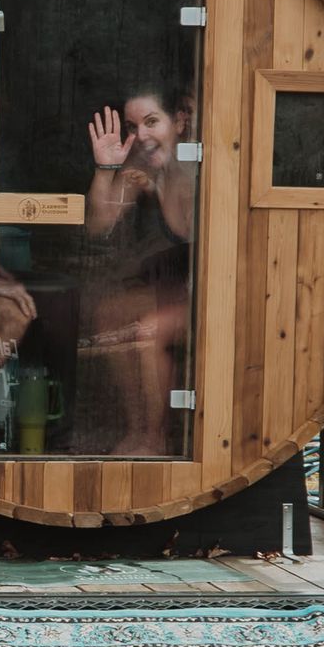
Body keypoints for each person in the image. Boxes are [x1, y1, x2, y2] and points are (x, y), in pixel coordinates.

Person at [79, 85, 197, 456]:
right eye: (133, 126)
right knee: (107, 314)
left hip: (210, 292)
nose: (141, 136)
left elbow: (200, 235)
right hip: (171, 291)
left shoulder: (199, 166)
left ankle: (156, 439)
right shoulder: (141, 165)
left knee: (148, 330)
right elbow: (100, 223)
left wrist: (161, 190)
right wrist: (106, 168)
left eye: (151, 122)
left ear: (179, 121)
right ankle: (136, 430)